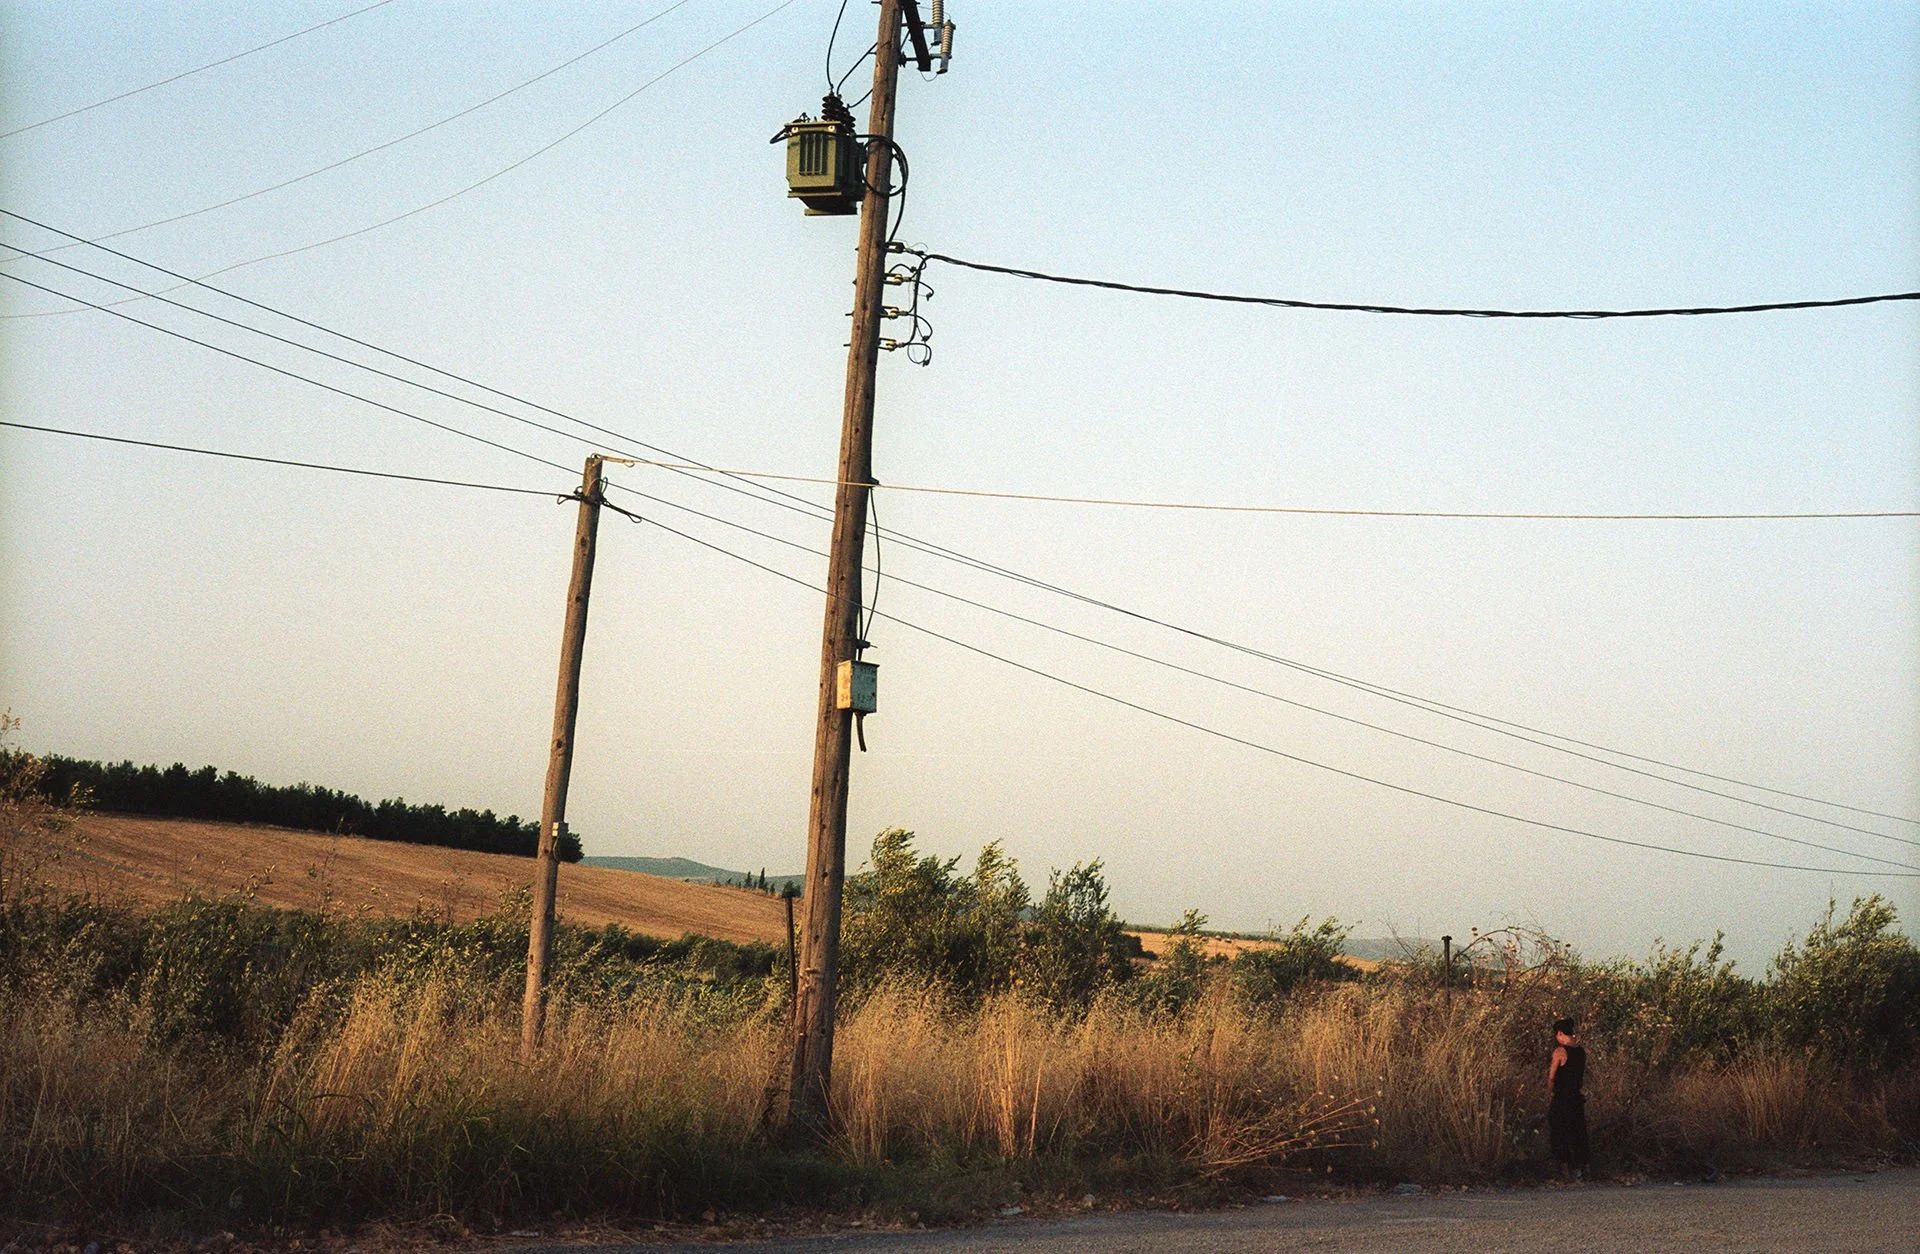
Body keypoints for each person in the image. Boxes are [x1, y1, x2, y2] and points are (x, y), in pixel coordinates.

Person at [1547, 1016, 1590, 1180]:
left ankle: (1564, 1172)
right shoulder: (1581, 1051)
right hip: (1576, 1098)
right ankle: (1587, 1170)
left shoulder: (1560, 1052)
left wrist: (1548, 1095)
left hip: (1562, 1098)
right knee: (1579, 1133)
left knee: (1559, 1133)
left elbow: (1551, 1077)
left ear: (1559, 1033)